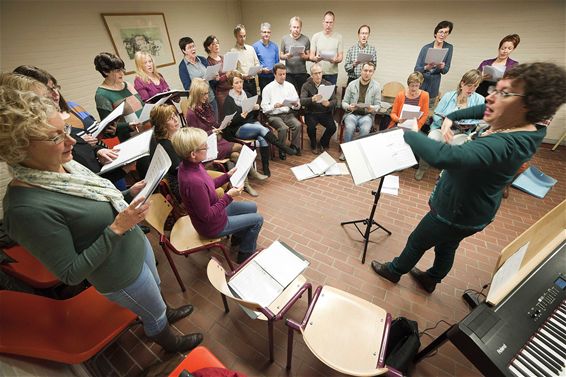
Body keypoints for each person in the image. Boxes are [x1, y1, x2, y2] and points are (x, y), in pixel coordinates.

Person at [0, 87, 203, 352]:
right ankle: (169, 342)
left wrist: (126, 193)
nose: (71, 142)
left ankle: (164, 310)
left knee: (155, 291)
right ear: (20, 149)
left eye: (66, 131)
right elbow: (71, 273)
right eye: (55, 137)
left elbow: (94, 204)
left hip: (133, 246)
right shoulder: (24, 208)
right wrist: (118, 228)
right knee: (153, 314)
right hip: (119, 273)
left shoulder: (64, 166)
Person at [371, 62, 566, 294]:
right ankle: (431, 279)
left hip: (457, 211)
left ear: (528, 104)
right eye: (495, 89)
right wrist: (451, 117)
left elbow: (445, 156)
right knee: (447, 245)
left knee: (417, 240)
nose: (490, 97)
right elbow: (482, 109)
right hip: (474, 212)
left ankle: (394, 271)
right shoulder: (527, 124)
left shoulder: (507, 144)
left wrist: (405, 132)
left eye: (503, 93)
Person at [172, 127, 264, 264]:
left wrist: (227, 176)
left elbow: (208, 185)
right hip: (212, 225)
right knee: (258, 219)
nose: (208, 148)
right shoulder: (193, 182)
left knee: (252, 206)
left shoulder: (192, 165)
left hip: (216, 212)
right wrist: (228, 196)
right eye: (204, 147)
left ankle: (237, 238)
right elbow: (207, 216)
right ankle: (245, 254)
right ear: (193, 154)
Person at [185, 78, 259, 196]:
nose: (206, 96)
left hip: (217, 140)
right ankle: (250, 175)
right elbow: (196, 137)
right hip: (207, 146)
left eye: (206, 93)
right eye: (203, 94)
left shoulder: (206, 106)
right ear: (196, 94)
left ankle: (245, 184)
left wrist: (224, 123)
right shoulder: (191, 113)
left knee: (236, 155)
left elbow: (214, 123)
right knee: (239, 148)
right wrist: (212, 132)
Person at [414, 69, 484, 180]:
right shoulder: (448, 96)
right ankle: (422, 168)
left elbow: (479, 121)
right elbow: (436, 114)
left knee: (460, 148)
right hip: (441, 128)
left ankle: (445, 175)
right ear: (462, 83)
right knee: (431, 140)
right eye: (469, 85)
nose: (472, 89)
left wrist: (469, 125)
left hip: (462, 132)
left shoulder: (479, 99)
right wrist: (443, 123)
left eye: (476, 86)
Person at [223, 71, 291, 177]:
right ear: (231, 84)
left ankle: (265, 167)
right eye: (236, 83)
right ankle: (283, 147)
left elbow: (253, 116)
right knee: (260, 129)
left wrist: (256, 108)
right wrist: (241, 116)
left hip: (251, 124)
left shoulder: (247, 95)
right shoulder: (228, 100)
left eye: (241, 82)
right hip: (238, 128)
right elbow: (229, 122)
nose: (239, 85)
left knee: (262, 138)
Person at [94, 52, 144, 141]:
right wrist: (128, 125)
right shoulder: (102, 95)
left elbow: (141, 105)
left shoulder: (127, 85)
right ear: (105, 72)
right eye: (117, 71)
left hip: (147, 131)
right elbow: (108, 127)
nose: (122, 73)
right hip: (131, 139)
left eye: (122, 69)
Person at [136, 104, 182, 199]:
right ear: (161, 124)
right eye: (170, 118)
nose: (175, 120)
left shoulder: (173, 139)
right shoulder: (165, 145)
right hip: (180, 188)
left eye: (175, 115)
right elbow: (180, 171)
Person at [340, 62, 381, 160]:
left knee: (365, 129)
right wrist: (349, 107)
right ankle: (346, 152)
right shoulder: (352, 84)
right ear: (361, 71)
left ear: (373, 72)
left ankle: (359, 152)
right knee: (349, 127)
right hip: (351, 114)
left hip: (367, 116)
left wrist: (373, 108)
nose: (367, 73)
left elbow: (378, 105)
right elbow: (344, 102)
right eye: (365, 70)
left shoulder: (376, 86)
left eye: (370, 71)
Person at [260, 63, 301, 160]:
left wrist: (296, 105)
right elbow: (264, 107)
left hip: (287, 114)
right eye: (280, 74)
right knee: (283, 128)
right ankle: (282, 150)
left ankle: (294, 146)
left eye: (284, 74)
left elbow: (297, 103)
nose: (283, 77)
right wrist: (274, 106)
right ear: (274, 74)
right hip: (274, 116)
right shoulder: (268, 88)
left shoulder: (290, 86)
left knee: (297, 125)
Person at [414, 21, 454, 109]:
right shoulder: (425, 48)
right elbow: (416, 69)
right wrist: (426, 67)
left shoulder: (449, 48)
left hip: (434, 84)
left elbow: (446, 69)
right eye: (441, 31)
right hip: (422, 82)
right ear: (436, 33)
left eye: (446, 32)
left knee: (429, 109)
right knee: (417, 108)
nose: (443, 35)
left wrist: (442, 67)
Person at [178, 37, 219, 120]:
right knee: (206, 129)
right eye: (189, 47)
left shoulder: (203, 60)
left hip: (211, 98)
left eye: (193, 46)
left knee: (216, 123)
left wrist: (215, 78)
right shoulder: (182, 67)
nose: (193, 49)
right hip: (198, 103)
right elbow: (187, 87)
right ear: (184, 51)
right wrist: (200, 82)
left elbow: (211, 78)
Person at [300, 63, 337, 154]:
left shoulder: (328, 84)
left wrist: (328, 103)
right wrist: (312, 99)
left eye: (320, 73)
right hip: (311, 112)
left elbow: (335, 100)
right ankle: (313, 144)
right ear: (311, 75)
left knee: (332, 127)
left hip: (325, 112)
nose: (318, 75)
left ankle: (322, 142)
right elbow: (302, 101)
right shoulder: (306, 85)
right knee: (311, 127)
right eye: (315, 73)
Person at [310, 10, 343, 85]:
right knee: (317, 95)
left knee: (330, 96)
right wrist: (317, 58)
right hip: (317, 73)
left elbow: (340, 57)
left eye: (330, 22)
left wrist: (335, 60)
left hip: (332, 74)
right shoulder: (316, 36)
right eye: (327, 22)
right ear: (323, 22)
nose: (328, 25)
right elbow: (311, 56)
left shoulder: (339, 37)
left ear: (333, 23)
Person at [280, 16, 311, 95]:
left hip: (302, 73)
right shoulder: (284, 39)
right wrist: (286, 56)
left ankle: (301, 108)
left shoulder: (306, 39)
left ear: (301, 28)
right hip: (289, 73)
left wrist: (304, 56)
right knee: (290, 95)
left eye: (298, 27)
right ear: (290, 27)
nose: (296, 29)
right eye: (294, 27)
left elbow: (309, 56)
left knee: (302, 95)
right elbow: (281, 56)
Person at [204, 35, 232, 119]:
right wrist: (226, 76)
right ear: (208, 47)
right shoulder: (208, 62)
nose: (216, 45)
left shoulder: (223, 58)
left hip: (231, 88)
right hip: (221, 93)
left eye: (217, 43)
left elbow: (229, 72)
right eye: (213, 44)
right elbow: (213, 82)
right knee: (225, 116)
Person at [231, 24, 260, 96]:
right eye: (240, 36)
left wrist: (257, 69)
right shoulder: (232, 52)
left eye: (244, 36)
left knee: (254, 103)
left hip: (253, 82)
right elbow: (233, 70)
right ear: (236, 36)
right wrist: (243, 75)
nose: (243, 38)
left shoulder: (251, 49)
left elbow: (257, 63)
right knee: (244, 105)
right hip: (241, 83)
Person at [252, 22, 279, 93]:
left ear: (270, 33)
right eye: (264, 32)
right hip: (262, 78)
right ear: (261, 33)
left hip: (274, 77)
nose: (266, 34)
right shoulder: (255, 47)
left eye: (268, 32)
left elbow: (277, 62)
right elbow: (254, 63)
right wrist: (262, 69)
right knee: (265, 96)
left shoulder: (275, 46)